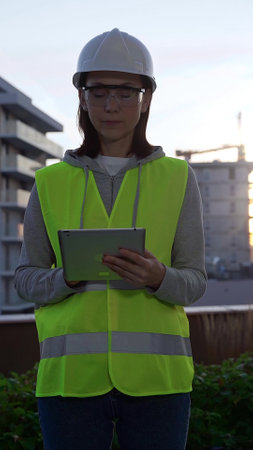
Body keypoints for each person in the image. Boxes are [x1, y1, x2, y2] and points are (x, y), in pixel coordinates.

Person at [15, 28, 207, 450]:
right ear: (82, 97)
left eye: (125, 91)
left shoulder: (178, 177)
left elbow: (194, 282)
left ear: (146, 99)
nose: (111, 104)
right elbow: (26, 278)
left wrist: (158, 277)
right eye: (98, 91)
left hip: (159, 381)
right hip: (70, 383)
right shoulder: (49, 182)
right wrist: (64, 279)